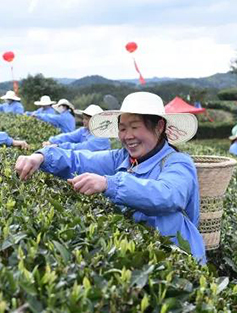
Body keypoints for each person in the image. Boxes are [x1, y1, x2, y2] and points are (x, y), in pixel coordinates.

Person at [15, 92, 206, 263]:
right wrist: (42, 156)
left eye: (135, 127)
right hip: (142, 258)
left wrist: (109, 183)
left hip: (179, 260)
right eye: (122, 128)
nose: (127, 136)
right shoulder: (122, 158)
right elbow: (79, 160)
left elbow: (168, 195)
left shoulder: (178, 162)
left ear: (159, 127)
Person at [42, 104, 110, 151]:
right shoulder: (85, 130)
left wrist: (58, 146)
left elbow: (81, 147)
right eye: (84, 118)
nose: (84, 121)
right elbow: (69, 136)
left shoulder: (101, 137)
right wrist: (52, 141)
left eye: (87, 119)